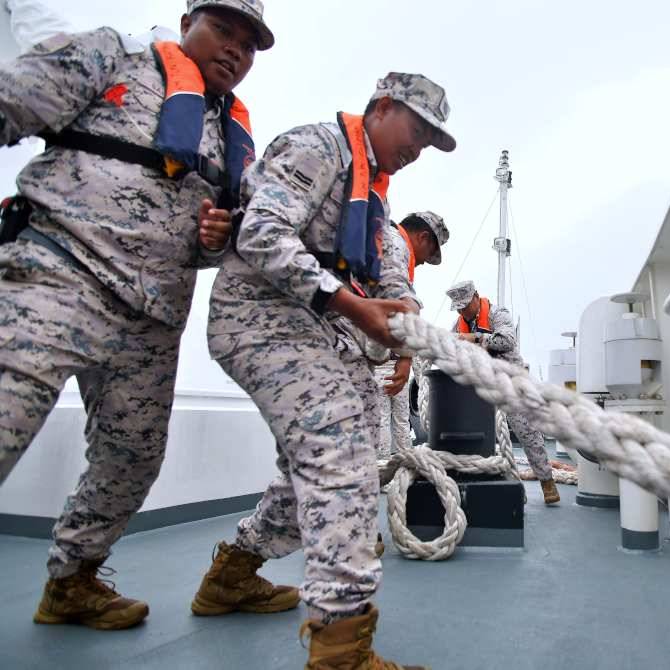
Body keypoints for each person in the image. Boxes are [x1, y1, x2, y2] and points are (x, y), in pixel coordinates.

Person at [0, 0, 273, 630]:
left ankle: (72, 581)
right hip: (58, 274)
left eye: (249, 43)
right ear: (186, 26)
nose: (234, 49)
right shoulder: (113, 55)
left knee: (133, 458)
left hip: (150, 320)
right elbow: (14, 100)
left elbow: (220, 242)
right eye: (222, 29)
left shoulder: (234, 142)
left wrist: (216, 238)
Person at [188, 72, 455, 669]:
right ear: (382, 107)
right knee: (341, 449)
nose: (419, 148)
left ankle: (234, 572)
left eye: (431, 140)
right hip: (259, 318)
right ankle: (340, 650)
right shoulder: (317, 148)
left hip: (321, 332)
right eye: (417, 130)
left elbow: (388, 275)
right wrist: (351, 305)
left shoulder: (377, 199)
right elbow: (260, 233)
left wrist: (403, 311)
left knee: (327, 454)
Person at [446, 280, 561, 505]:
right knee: (482, 438)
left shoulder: (498, 314)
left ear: (476, 297)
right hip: (482, 385)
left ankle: (547, 482)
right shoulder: (458, 325)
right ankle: (498, 487)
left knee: (527, 433)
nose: (461, 310)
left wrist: (476, 338)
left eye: (464, 305)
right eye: (458, 307)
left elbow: (507, 341)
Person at [374, 211, 449, 459]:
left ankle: (401, 465)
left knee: (396, 418)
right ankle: (386, 467)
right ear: (423, 237)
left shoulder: (388, 241)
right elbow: (400, 305)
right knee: (385, 419)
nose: (423, 262)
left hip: (384, 358)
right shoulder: (397, 245)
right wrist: (406, 357)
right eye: (428, 256)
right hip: (385, 361)